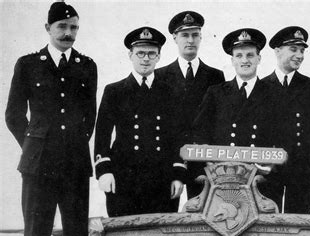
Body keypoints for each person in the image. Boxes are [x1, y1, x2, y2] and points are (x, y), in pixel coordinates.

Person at [5, 2, 97, 236]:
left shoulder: (87, 66)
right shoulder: (28, 64)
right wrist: (34, 147)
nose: (68, 33)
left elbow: (90, 117)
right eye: (62, 27)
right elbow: (13, 115)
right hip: (38, 169)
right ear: (48, 29)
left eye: (73, 28)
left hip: (74, 167)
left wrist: (69, 144)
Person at [94, 27, 186, 217]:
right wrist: (104, 171)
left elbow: (178, 136)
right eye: (140, 53)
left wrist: (178, 175)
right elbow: (102, 135)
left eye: (151, 53)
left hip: (162, 179)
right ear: (130, 55)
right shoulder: (115, 91)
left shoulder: (171, 92)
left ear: (159, 56)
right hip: (124, 179)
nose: (146, 58)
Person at [156, 11, 225, 202]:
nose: (190, 40)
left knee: (203, 218)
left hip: (203, 160)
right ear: (175, 38)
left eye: (195, 35)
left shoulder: (215, 76)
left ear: (201, 37)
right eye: (185, 35)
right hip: (170, 158)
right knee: (166, 219)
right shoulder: (160, 75)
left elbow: (218, 120)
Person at [192, 28, 279, 178]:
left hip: (261, 176)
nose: (245, 60)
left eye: (250, 55)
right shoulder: (216, 92)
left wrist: (270, 167)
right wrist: (210, 163)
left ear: (259, 59)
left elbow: (281, 136)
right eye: (239, 55)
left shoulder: (273, 93)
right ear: (232, 61)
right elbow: (200, 132)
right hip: (223, 175)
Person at [262, 26, 310, 214]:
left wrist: (300, 152)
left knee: (299, 223)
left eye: (302, 50)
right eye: (294, 49)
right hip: (268, 168)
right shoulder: (262, 87)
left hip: (301, 167)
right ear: (277, 50)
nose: (299, 55)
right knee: (267, 223)